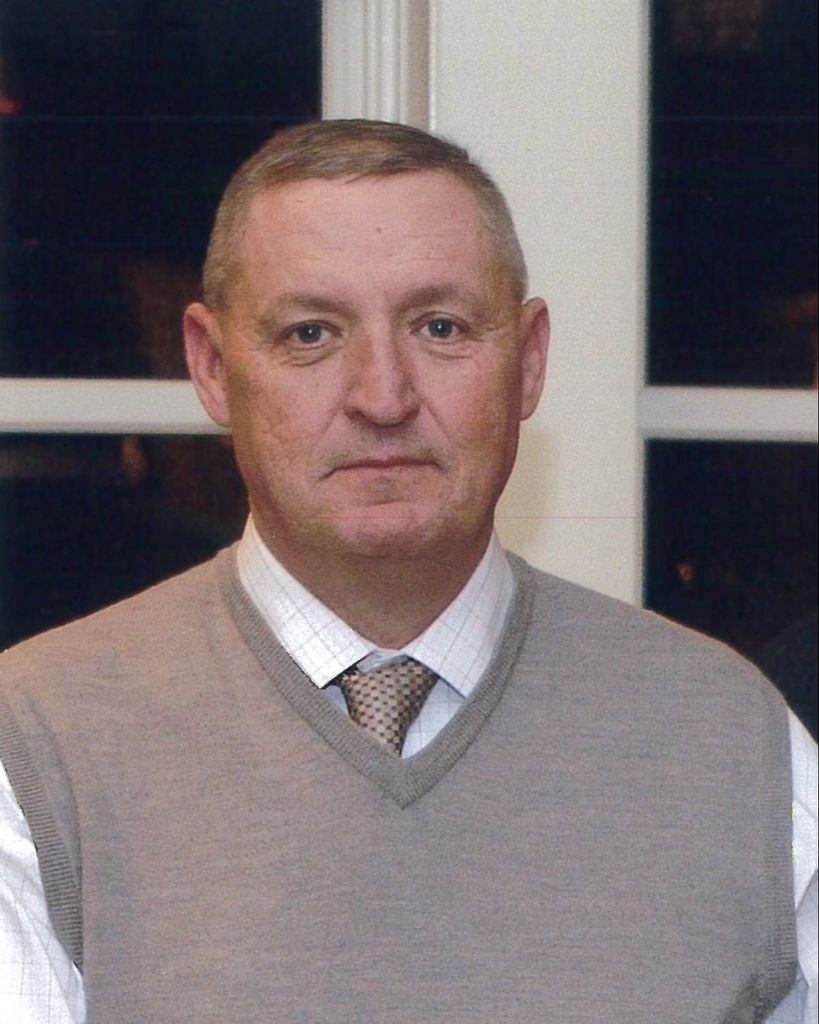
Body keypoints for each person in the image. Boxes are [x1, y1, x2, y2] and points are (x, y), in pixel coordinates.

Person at [0, 120, 815, 1023]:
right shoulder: (38, 746)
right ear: (214, 367)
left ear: (528, 361)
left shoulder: (731, 741)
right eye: (311, 334)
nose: (382, 397)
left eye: (440, 327)